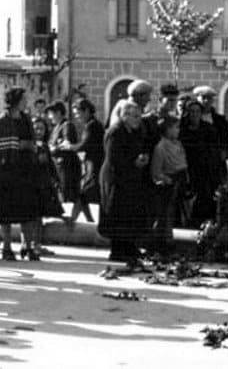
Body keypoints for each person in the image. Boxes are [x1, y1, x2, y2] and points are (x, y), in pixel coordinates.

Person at [99, 101, 149, 262]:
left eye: (139, 116)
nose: (138, 119)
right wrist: (133, 162)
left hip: (129, 178)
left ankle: (130, 248)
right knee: (117, 214)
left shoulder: (133, 131)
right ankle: (118, 250)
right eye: (135, 116)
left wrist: (142, 158)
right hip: (116, 178)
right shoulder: (115, 131)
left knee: (129, 214)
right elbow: (114, 158)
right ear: (124, 116)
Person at [0, 87, 40, 261]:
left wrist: (30, 147)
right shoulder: (3, 119)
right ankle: (7, 247)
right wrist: (19, 145)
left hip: (26, 169)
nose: (27, 101)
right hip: (7, 169)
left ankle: (27, 245)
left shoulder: (25, 119)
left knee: (27, 209)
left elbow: (32, 140)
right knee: (5, 211)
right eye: (24, 99)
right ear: (16, 100)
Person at [150, 115, 190, 254]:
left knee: (173, 215)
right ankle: (161, 244)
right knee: (164, 216)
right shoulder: (160, 148)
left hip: (180, 181)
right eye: (175, 127)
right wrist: (168, 180)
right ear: (167, 129)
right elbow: (156, 171)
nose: (178, 130)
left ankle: (169, 240)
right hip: (168, 185)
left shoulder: (178, 144)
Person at [61, 99, 105, 223]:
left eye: (78, 113)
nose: (76, 117)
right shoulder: (93, 124)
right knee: (84, 194)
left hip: (95, 165)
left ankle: (73, 220)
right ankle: (89, 220)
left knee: (85, 193)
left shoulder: (92, 125)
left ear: (86, 111)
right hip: (92, 164)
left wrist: (69, 146)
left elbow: (84, 145)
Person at [179, 100, 221, 227]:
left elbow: (214, 148)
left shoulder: (208, 128)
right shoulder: (182, 128)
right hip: (187, 166)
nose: (194, 114)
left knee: (205, 195)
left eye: (197, 111)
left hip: (205, 167)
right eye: (191, 111)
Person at [32, 116, 64, 256]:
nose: (39, 131)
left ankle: (37, 244)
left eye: (42, 128)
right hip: (34, 185)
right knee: (34, 217)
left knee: (40, 217)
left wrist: (56, 179)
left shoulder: (43, 145)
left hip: (44, 185)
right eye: (36, 128)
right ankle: (33, 244)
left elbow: (50, 165)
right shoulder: (31, 146)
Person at [46, 101, 81, 214]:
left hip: (66, 166)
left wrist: (54, 148)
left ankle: (69, 222)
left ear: (59, 113)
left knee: (67, 193)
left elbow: (67, 143)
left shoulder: (67, 125)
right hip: (58, 165)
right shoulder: (57, 127)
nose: (50, 117)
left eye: (51, 114)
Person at [194, 85, 228, 183]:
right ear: (197, 98)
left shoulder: (220, 120)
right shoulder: (192, 116)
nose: (206, 101)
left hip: (215, 158)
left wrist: (224, 150)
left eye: (209, 98)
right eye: (203, 98)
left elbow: (226, 136)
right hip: (197, 158)